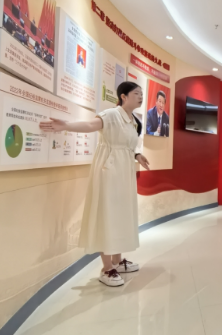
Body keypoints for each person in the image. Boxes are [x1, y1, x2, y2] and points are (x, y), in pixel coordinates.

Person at [39, 82, 151, 287]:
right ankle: (106, 268)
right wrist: (66, 125)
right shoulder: (111, 114)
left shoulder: (133, 121)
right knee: (106, 214)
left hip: (124, 172)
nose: (141, 97)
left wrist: (137, 155)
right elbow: (91, 126)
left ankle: (117, 261)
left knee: (120, 214)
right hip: (109, 171)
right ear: (123, 96)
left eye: (141, 94)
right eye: (136, 93)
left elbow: (127, 145)